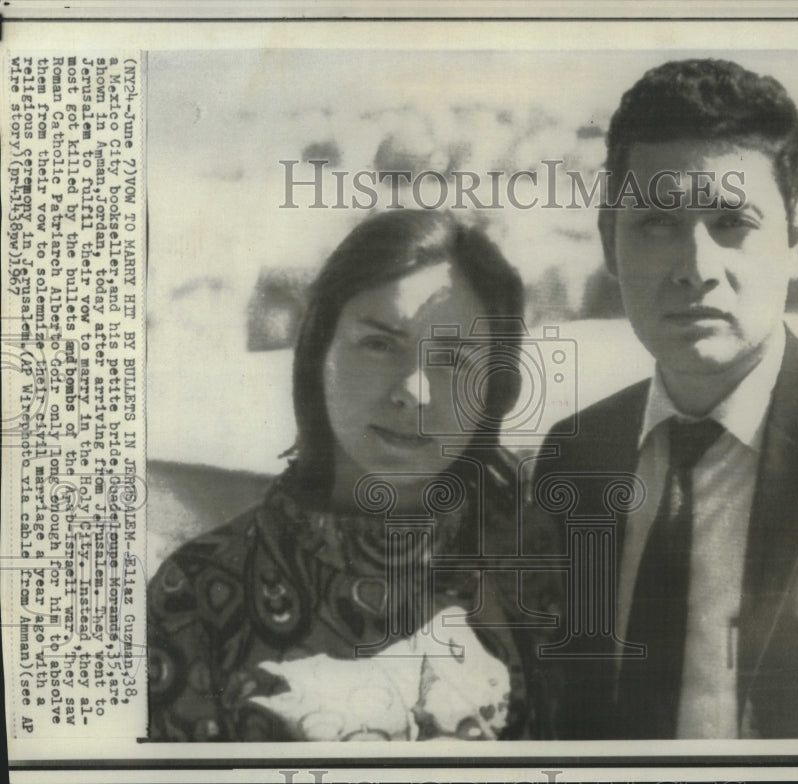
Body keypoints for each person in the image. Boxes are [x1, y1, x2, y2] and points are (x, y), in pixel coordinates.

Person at [534, 58, 798, 739]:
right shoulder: (575, 456)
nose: (696, 268)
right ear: (609, 246)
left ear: (796, 240)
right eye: (656, 223)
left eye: (732, 221)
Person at [147, 209, 560, 741]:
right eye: (379, 344)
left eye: (454, 360)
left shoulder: (532, 564)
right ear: (319, 351)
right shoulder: (196, 592)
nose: (413, 392)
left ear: (494, 391)